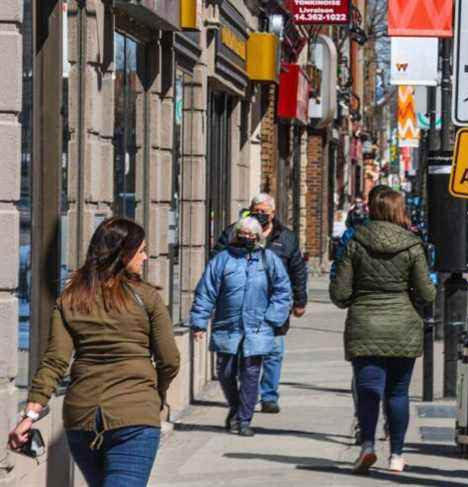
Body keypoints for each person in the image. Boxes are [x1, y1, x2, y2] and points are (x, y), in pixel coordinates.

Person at [7, 218, 180, 487]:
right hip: (135, 417)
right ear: (123, 253)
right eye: (141, 250)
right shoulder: (146, 297)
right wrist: (155, 393)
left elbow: (55, 361)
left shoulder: (72, 297)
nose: (145, 257)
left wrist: (29, 415)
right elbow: (170, 359)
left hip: (82, 417)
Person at [330, 190, 436, 474]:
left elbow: (339, 293)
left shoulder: (355, 242)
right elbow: (427, 293)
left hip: (365, 324)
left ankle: (367, 447)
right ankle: (397, 456)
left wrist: (359, 298)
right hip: (403, 326)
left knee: (368, 391)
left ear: (372, 210)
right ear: (399, 210)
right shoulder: (413, 245)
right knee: (397, 393)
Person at [189, 216, 292, 436]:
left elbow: (283, 290)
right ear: (236, 235)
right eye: (242, 233)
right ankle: (235, 407)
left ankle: (244, 419)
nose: (246, 238)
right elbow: (206, 292)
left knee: (251, 374)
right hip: (228, 325)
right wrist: (199, 322)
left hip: (258, 327)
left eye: (250, 235)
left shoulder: (268, 259)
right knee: (225, 372)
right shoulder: (222, 260)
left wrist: (273, 318)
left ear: (257, 237)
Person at [212, 194, 307, 414]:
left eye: (265, 211)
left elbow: (297, 270)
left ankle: (269, 396)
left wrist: (300, 300)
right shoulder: (234, 232)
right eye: (257, 210)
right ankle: (246, 396)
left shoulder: (286, 237)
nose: (261, 215)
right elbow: (216, 261)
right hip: (242, 304)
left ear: (273, 213)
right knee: (243, 354)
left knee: (274, 351)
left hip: (274, 304)